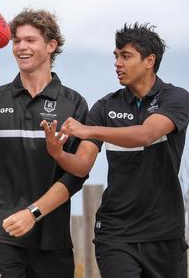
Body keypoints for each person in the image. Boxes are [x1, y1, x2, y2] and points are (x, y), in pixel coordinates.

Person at [42, 23, 189, 278]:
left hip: (165, 235)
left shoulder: (175, 98)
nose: (117, 63)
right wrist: (58, 153)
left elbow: (147, 134)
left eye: (126, 56)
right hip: (116, 233)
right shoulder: (104, 106)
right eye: (116, 56)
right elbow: (82, 165)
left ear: (149, 61)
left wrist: (90, 130)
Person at [0, 9, 88, 278]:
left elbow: (75, 175)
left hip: (52, 239)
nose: (21, 47)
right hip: (1, 233)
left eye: (30, 40)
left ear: (51, 46)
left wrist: (33, 213)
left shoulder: (73, 104)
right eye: (16, 41)